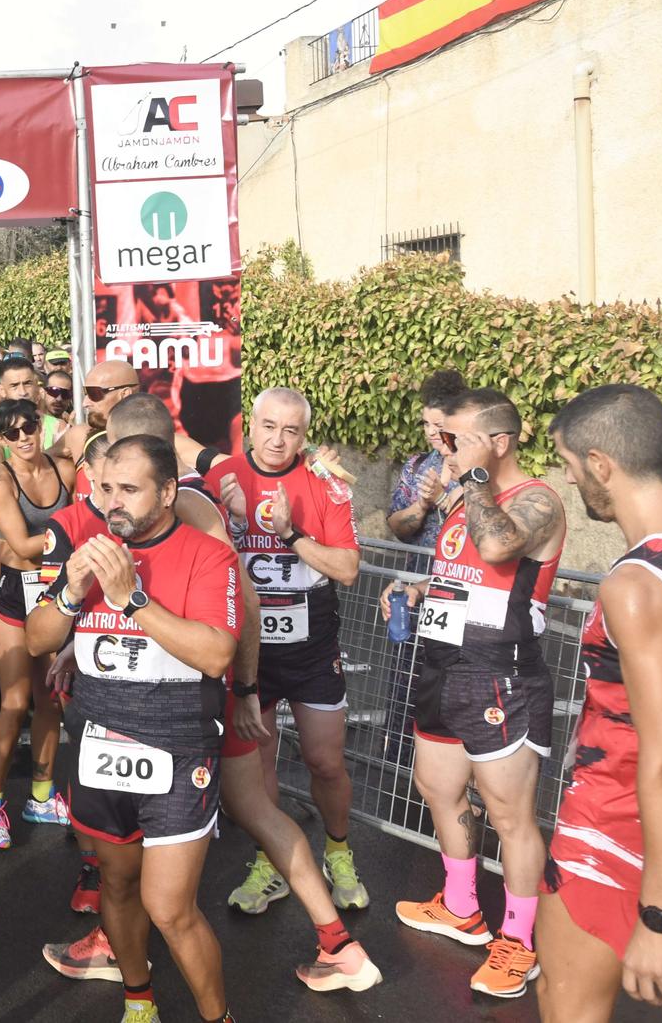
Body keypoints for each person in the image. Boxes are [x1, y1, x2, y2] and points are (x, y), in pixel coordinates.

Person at [24, 436, 240, 1023]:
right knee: (116, 889)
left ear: (168, 492)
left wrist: (131, 598)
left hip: (176, 749)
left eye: (129, 490)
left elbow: (217, 654)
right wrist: (71, 590)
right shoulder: (93, 551)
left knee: (170, 908)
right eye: (105, 488)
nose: (111, 502)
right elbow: (37, 640)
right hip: (99, 747)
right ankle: (138, 1000)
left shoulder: (205, 554)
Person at [539, 383, 662, 1020]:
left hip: (620, 839)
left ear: (602, 464)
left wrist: (659, 916)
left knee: (566, 1006)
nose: (572, 484)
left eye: (571, 467)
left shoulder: (636, 585)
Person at [389, 387, 565, 998]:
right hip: (442, 665)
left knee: (512, 814)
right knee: (436, 786)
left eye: (457, 438)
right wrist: (420, 590)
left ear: (499, 442)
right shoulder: (466, 500)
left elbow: (498, 548)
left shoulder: (536, 498)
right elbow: (463, 573)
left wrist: (477, 476)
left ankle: (518, 943)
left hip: (500, 671)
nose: (443, 448)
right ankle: (462, 904)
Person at [204, 387, 368, 917]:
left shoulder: (323, 483)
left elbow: (346, 568)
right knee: (262, 762)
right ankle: (270, 861)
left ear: (304, 435)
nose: (278, 440)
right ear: (251, 425)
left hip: (311, 644)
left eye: (291, 431)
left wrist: (290, 533)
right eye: (269, 426)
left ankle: (338, 852)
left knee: (324, 759)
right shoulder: (223, 476)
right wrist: (231, 521)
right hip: (250, 652)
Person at [0, 398, 72, 847]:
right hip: (13, 593)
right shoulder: (0, 478)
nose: (24, 437)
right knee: (14, 702)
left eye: (29, 426)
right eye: (12, 433)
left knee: (49, 698)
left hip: (54, 591)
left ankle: (40, 794)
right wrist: (74, 537)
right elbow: (18, 542)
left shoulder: (64, 469)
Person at [386, 368, 469, 547]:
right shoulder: (416, 465)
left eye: (438, 425)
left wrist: (442, 500)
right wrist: (422, 504)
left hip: (456, 571)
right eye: (425, 424)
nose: (431, 432)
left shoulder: (477, 469)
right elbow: (395, 526)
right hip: (417, 571)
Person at [51, 359, 139, 477]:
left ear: (125, 394)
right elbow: (36, 465)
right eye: (85, 393)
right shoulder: (79, 437)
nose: (85, 403)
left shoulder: (156, 441)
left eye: (94, 393)